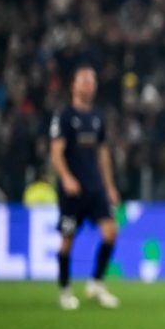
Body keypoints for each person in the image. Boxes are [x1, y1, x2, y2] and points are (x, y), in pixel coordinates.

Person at [49, 65, 121, 310]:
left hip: (95, 188)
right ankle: (65, 290)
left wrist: (109, 186)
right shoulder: (64, 116)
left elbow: (103, 153)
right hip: (73, 191)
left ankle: (96, 283)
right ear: (74, 85)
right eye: (84, 80)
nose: (89, 85)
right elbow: (56, 152)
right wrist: (66, 178)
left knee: (111, 232)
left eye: (92, 81)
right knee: (67, 240)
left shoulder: (98, 117)